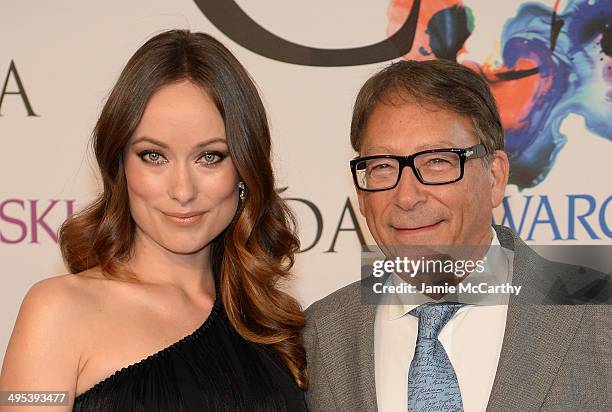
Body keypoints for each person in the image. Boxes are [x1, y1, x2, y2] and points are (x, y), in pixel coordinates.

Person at [0, 30, 307, 411]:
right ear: (120, 164)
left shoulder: (267, 323)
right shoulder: (55, 312)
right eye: (153, 156)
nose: (182, 190)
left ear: (245, 169)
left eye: (210, 157)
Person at [303, 59, 611, 412]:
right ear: (362, 193)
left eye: (437, 162)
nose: (407, 196)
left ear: (494, 177)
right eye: (383, 167)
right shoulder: (317, 338)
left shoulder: (600, 317)